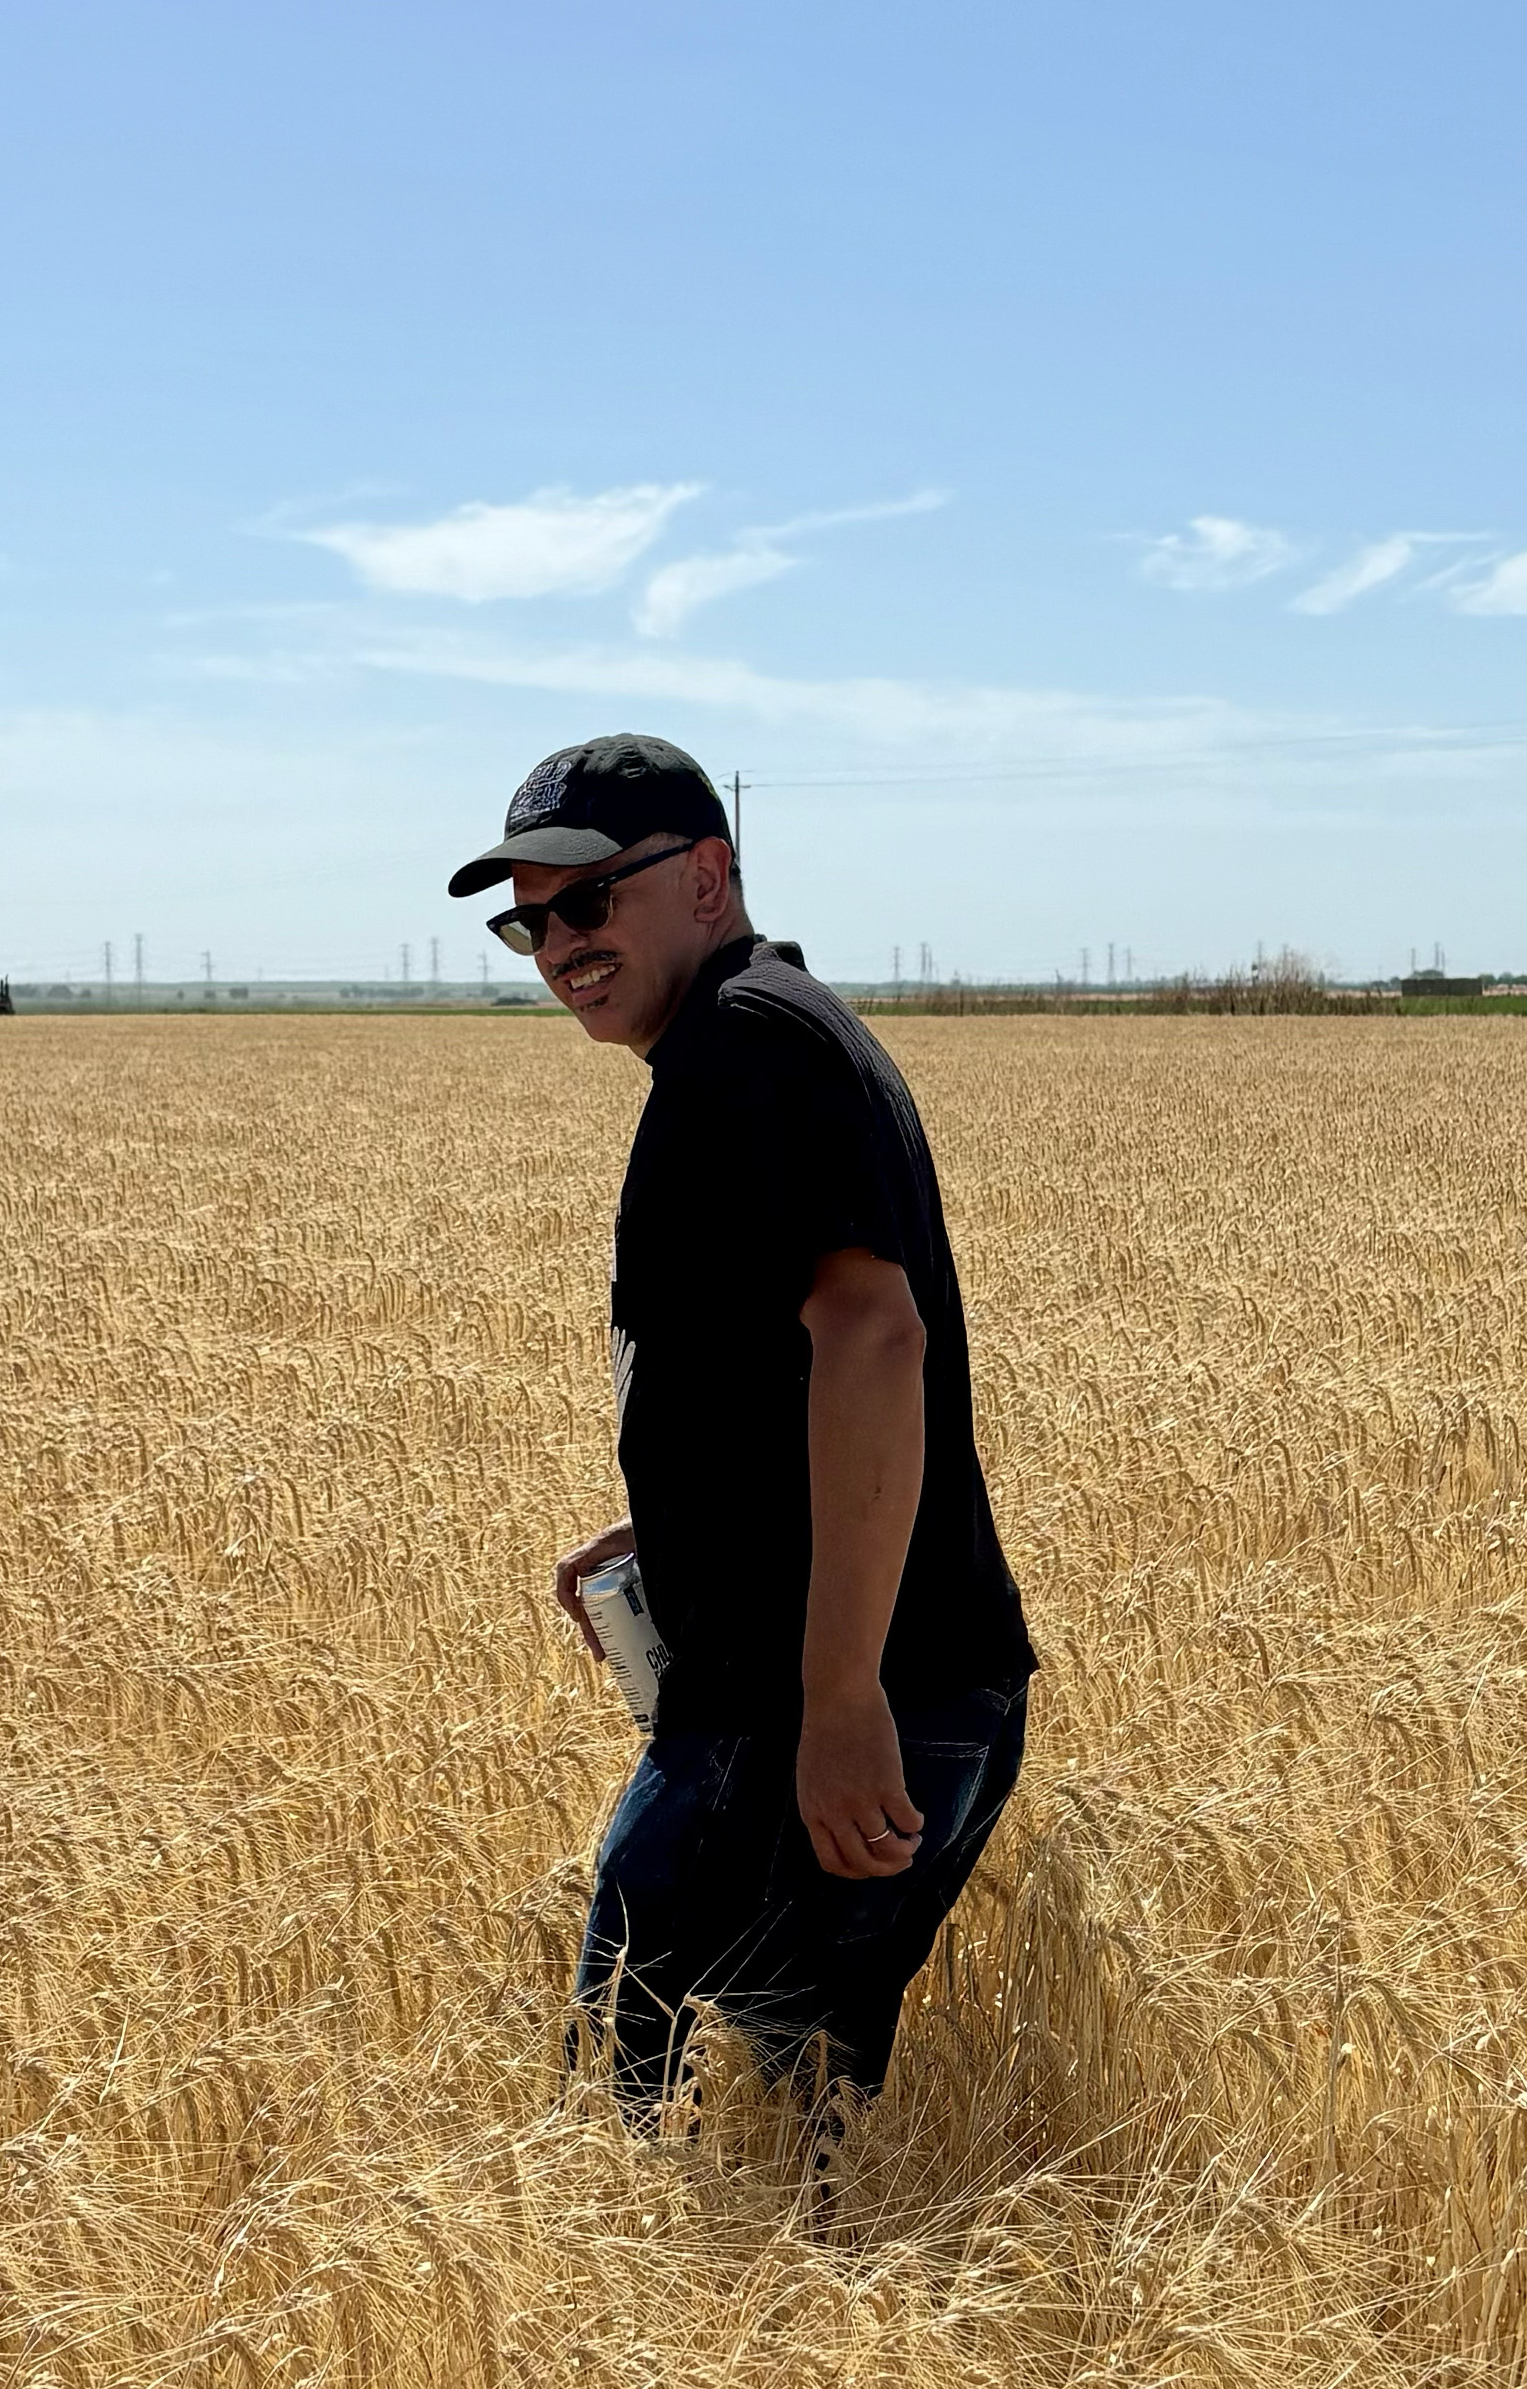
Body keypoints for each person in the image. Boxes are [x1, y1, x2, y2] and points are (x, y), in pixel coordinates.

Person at [448, 730, 1038, 2129]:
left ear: (707, 876)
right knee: (772, 2119)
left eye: (591, 899)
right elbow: (792, 1368)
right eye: (530, 923)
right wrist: (674, 1522)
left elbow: (873, 1341)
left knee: (653, 2105)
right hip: (820, 1692)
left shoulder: (748, 1047)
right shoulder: (753, 1039)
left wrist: (840, 1700)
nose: (561, 945)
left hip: (819, 1704)